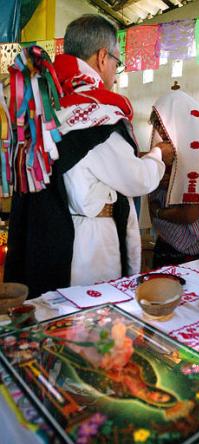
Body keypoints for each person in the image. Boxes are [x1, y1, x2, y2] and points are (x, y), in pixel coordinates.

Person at [4, 15, 174, 297]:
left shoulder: (47, 106)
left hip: (47, 237)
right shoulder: (97, 112)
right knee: (92, 326)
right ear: (102, 56)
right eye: (116, 64)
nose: (114, 73)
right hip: (89, 243)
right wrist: (159, 154)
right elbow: (137, 179)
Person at [148, 90, 199, 268]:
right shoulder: (177, 151)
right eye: (157, 125)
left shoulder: (198, 155)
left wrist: (158, 212)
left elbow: (190, 214)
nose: (161, 131)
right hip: (170, 243)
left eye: (163, 124)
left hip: (192, 252)